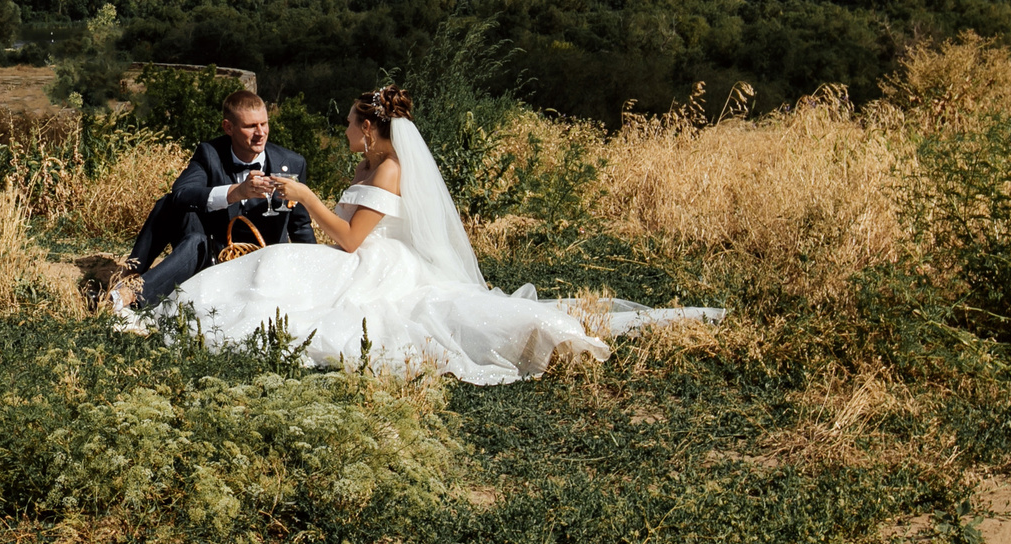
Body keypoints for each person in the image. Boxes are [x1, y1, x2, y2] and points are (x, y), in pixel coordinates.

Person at [137, 85, 722, 383]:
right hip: (355, 256)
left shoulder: (388, 168)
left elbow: (351, 240)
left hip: (375, 263)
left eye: (348, 124)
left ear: (368, 129)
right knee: (273, 275)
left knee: (328, 304)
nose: (343, 131)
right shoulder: (369, 165)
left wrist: (307, 198)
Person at [116, 86, 315, 311]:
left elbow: (301, 226)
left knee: (194, 241)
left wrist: (311, 275)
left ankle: (126, 298)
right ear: (228, 127)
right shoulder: (210, 153)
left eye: (264, 124)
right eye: (250, 126)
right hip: (215, 256)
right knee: (169, 206)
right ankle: (128, 276)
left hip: (262, 265)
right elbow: (181, 193)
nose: (260, 133)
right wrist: (236, 192)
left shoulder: (292, 162)